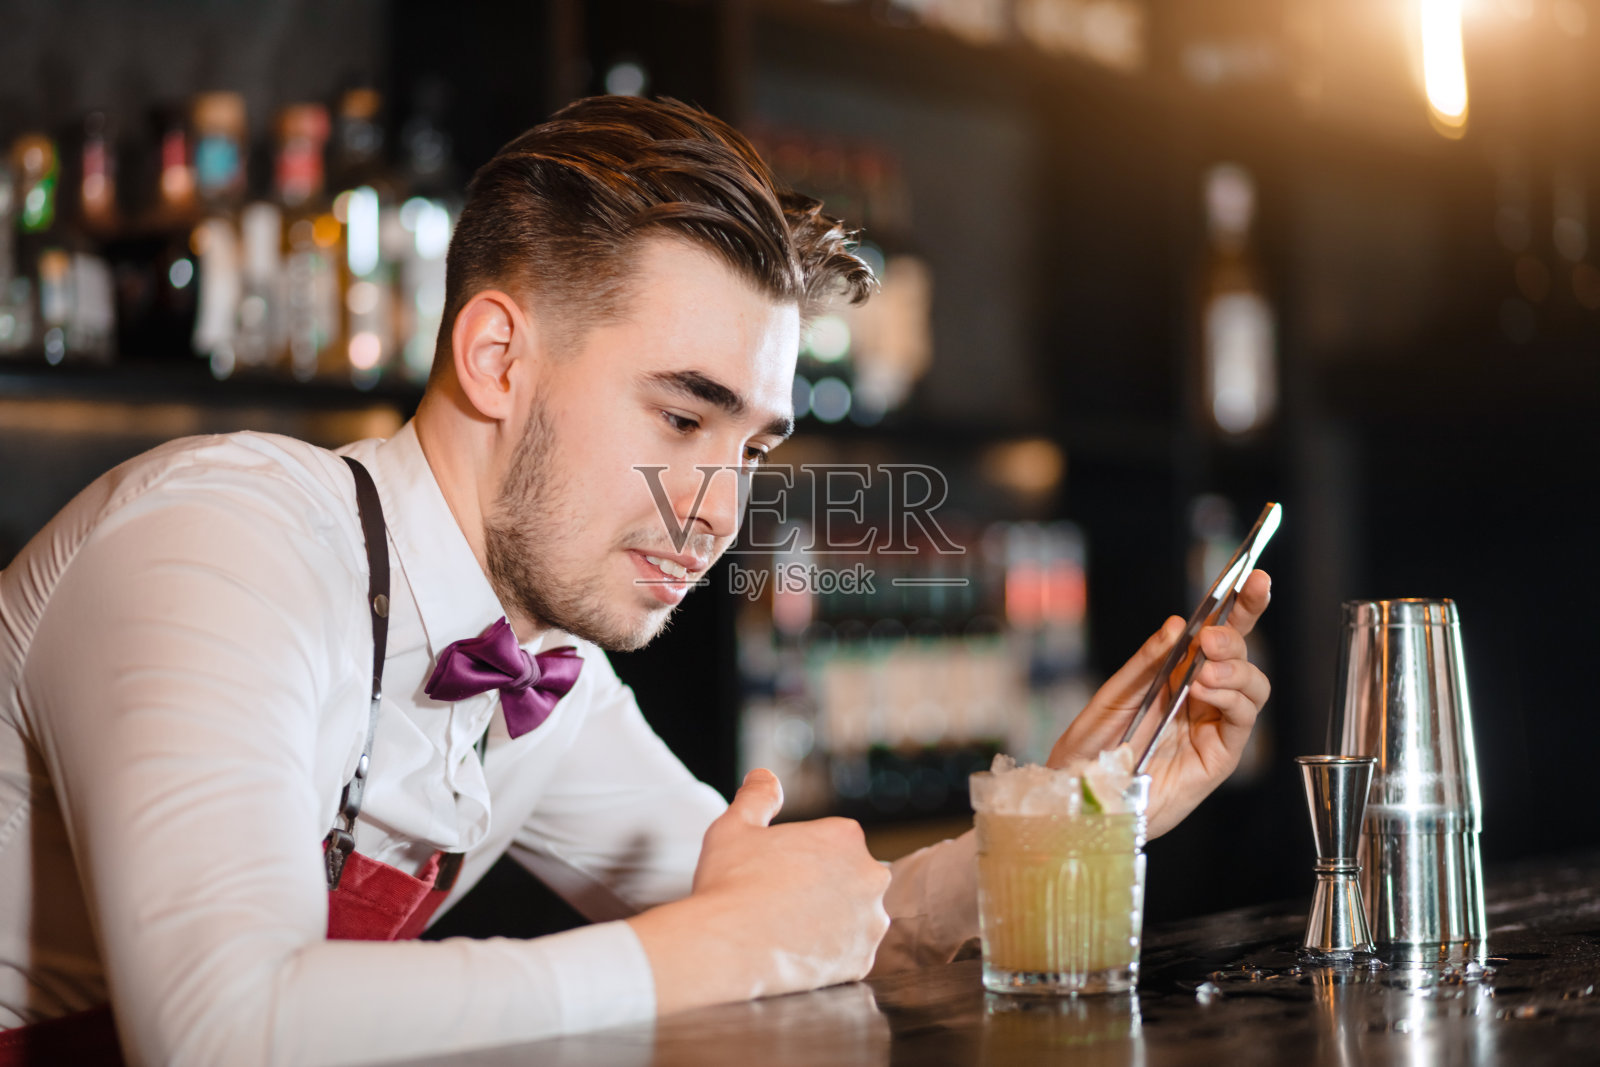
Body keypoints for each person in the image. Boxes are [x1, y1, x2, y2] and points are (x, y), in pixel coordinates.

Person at [0, 96, 1272, 1066]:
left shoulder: (547, 676)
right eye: (679, 420)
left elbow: (823, 917)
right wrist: (687, 952)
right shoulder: (223, 543)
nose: (719, 513)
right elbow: (219, 1028)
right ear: (497, 356)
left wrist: (1089, 804)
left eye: (752, 449)